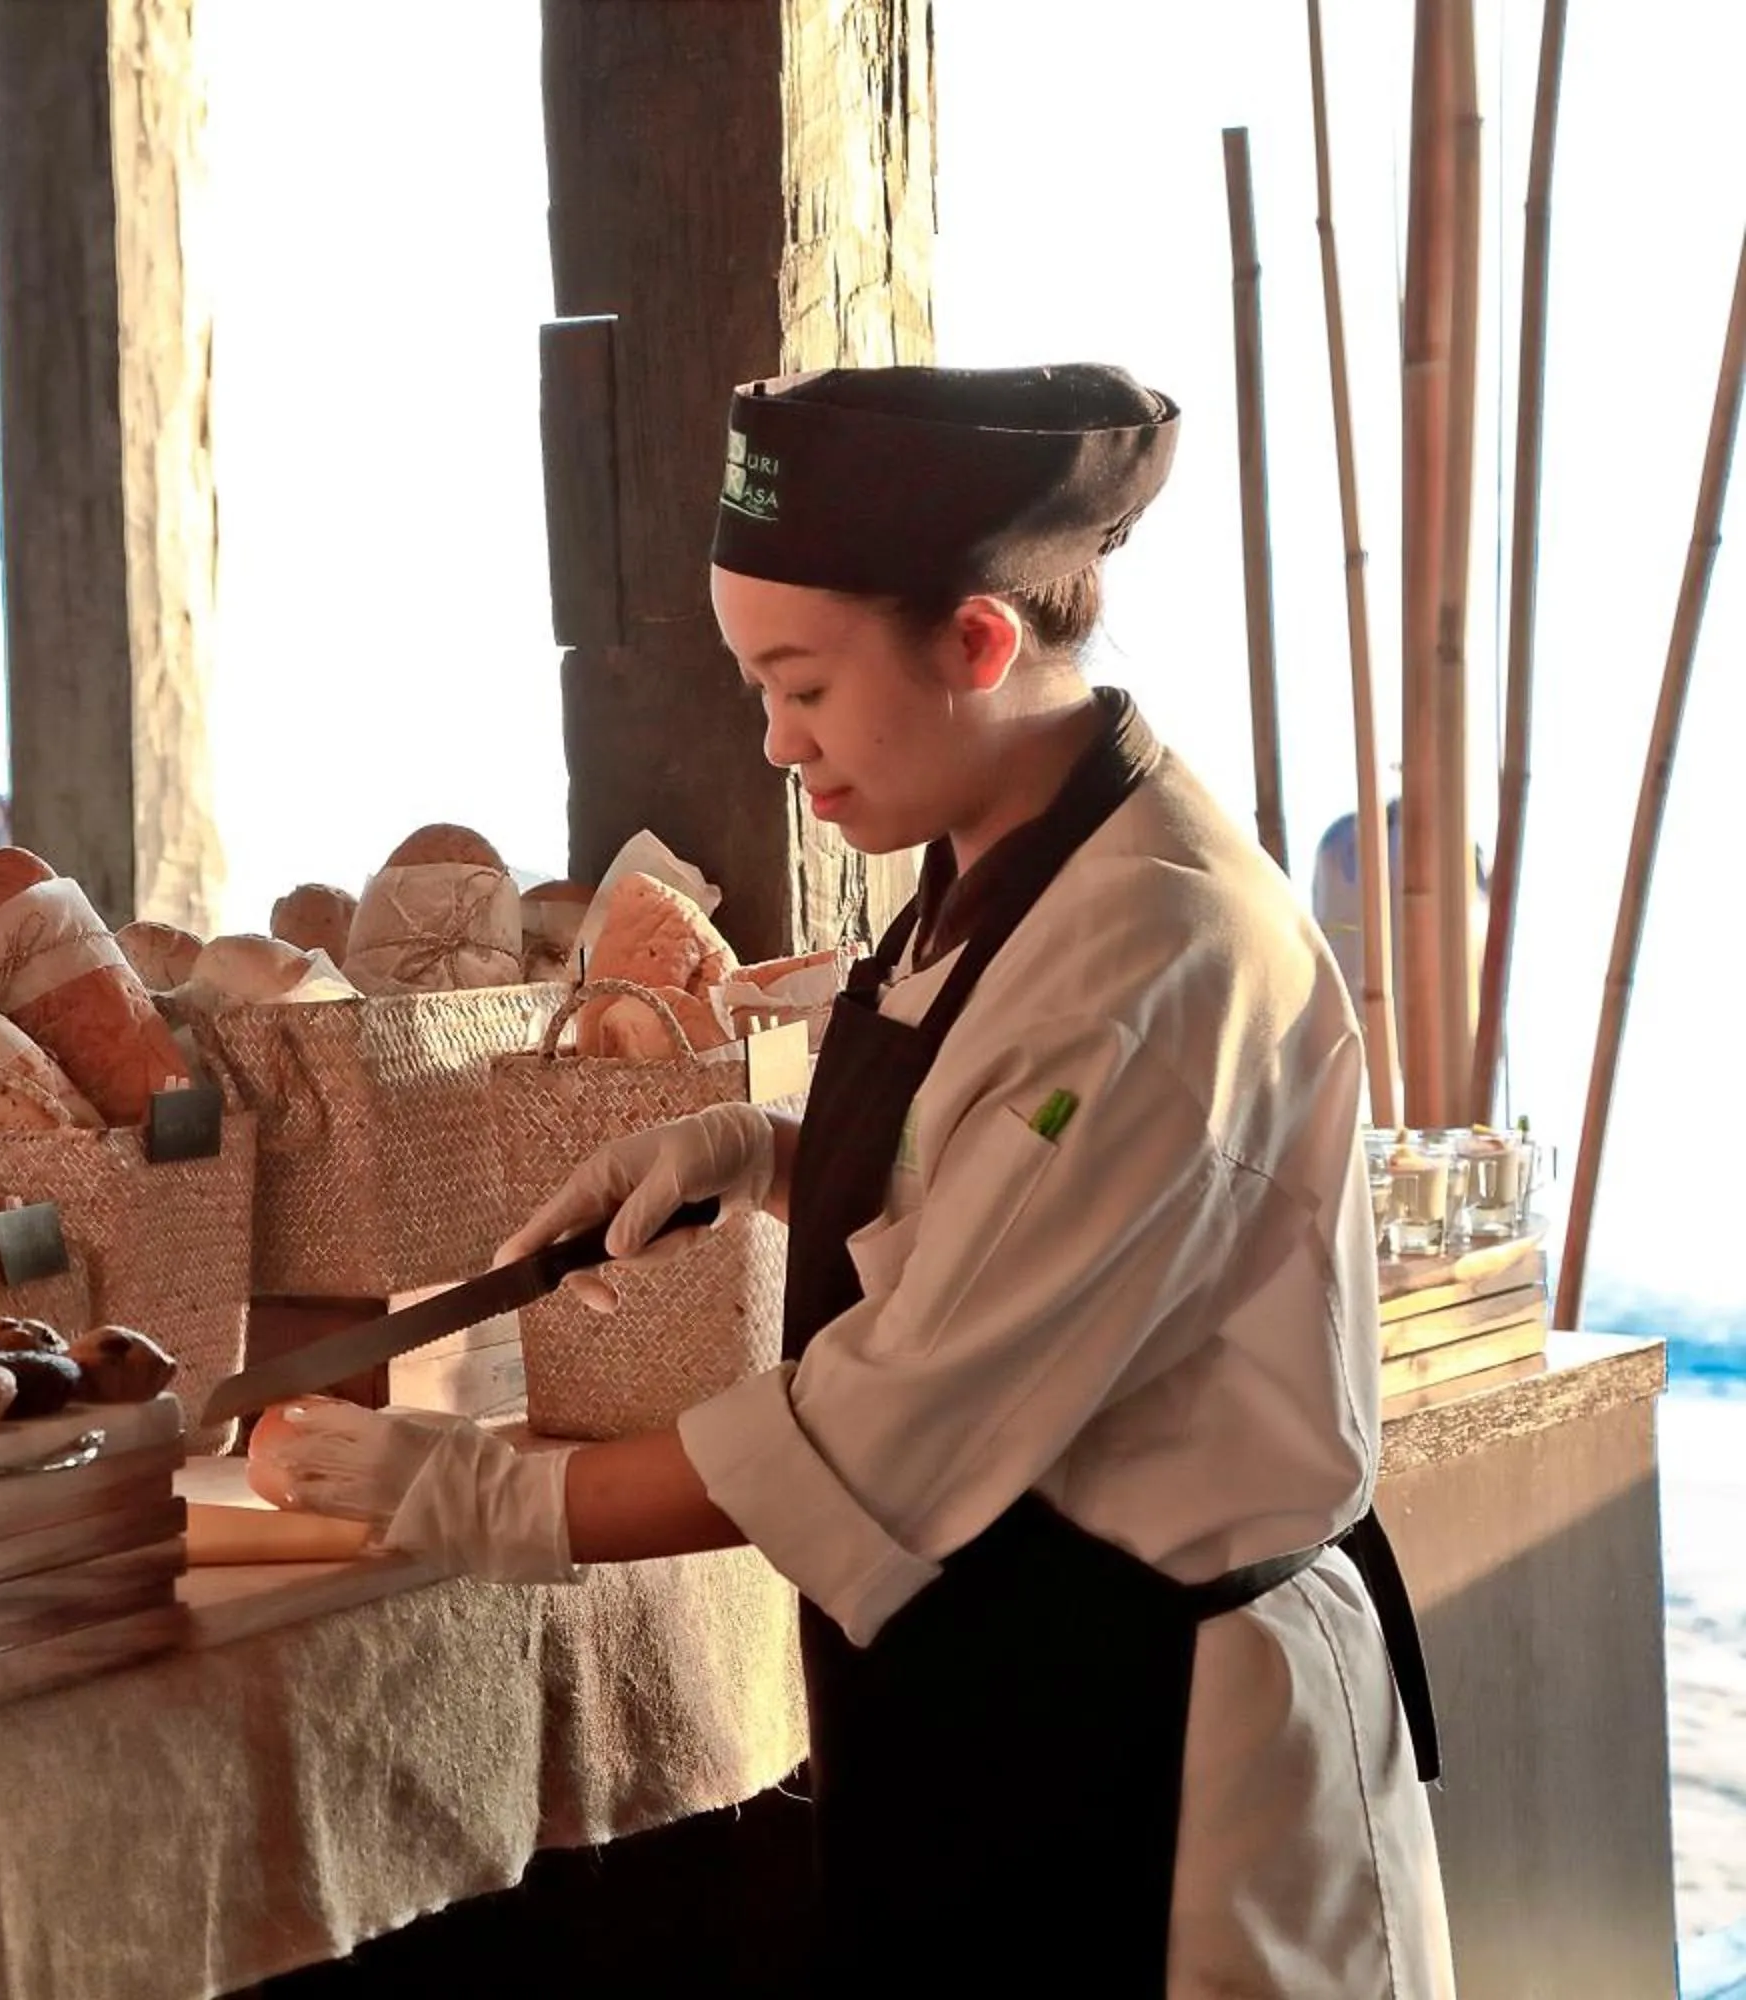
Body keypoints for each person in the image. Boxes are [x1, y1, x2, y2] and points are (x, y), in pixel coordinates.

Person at [257, 365, 1456, 1995]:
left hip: (1171, 1768)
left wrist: (472, 1494)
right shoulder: (1000, 848)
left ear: (976, 642)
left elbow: (873, 1430)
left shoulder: (1149, 954)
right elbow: (973, 1174)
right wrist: (753, 1154)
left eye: (804, 688)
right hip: (1012, 1708)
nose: (777, 744)